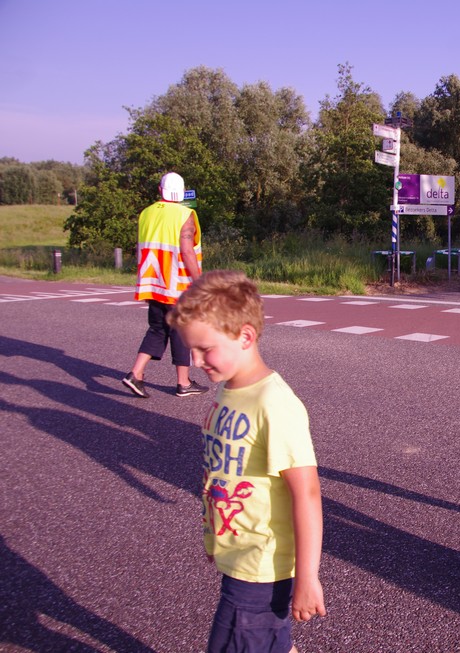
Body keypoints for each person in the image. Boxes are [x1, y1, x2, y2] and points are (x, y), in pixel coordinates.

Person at [167, 270, 326, 653]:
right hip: (238, 552)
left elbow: (307, 493)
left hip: (261, 565)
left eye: (205, 349)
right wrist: (214, 534)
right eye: (191, 350)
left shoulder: (274, 403)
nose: (195, 360)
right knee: (269, 643)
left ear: (245, 336)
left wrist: (307, 577)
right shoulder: (229, 389)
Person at [122, 171, 208, 398]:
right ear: (182, 192)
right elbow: (187, 250)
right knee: (181, 329)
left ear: (160, 191)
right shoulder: (185, 215)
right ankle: (183, 383)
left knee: (158, 328)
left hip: (152, 282)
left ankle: (136, 374)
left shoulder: (146, 213)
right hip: (176, 283)